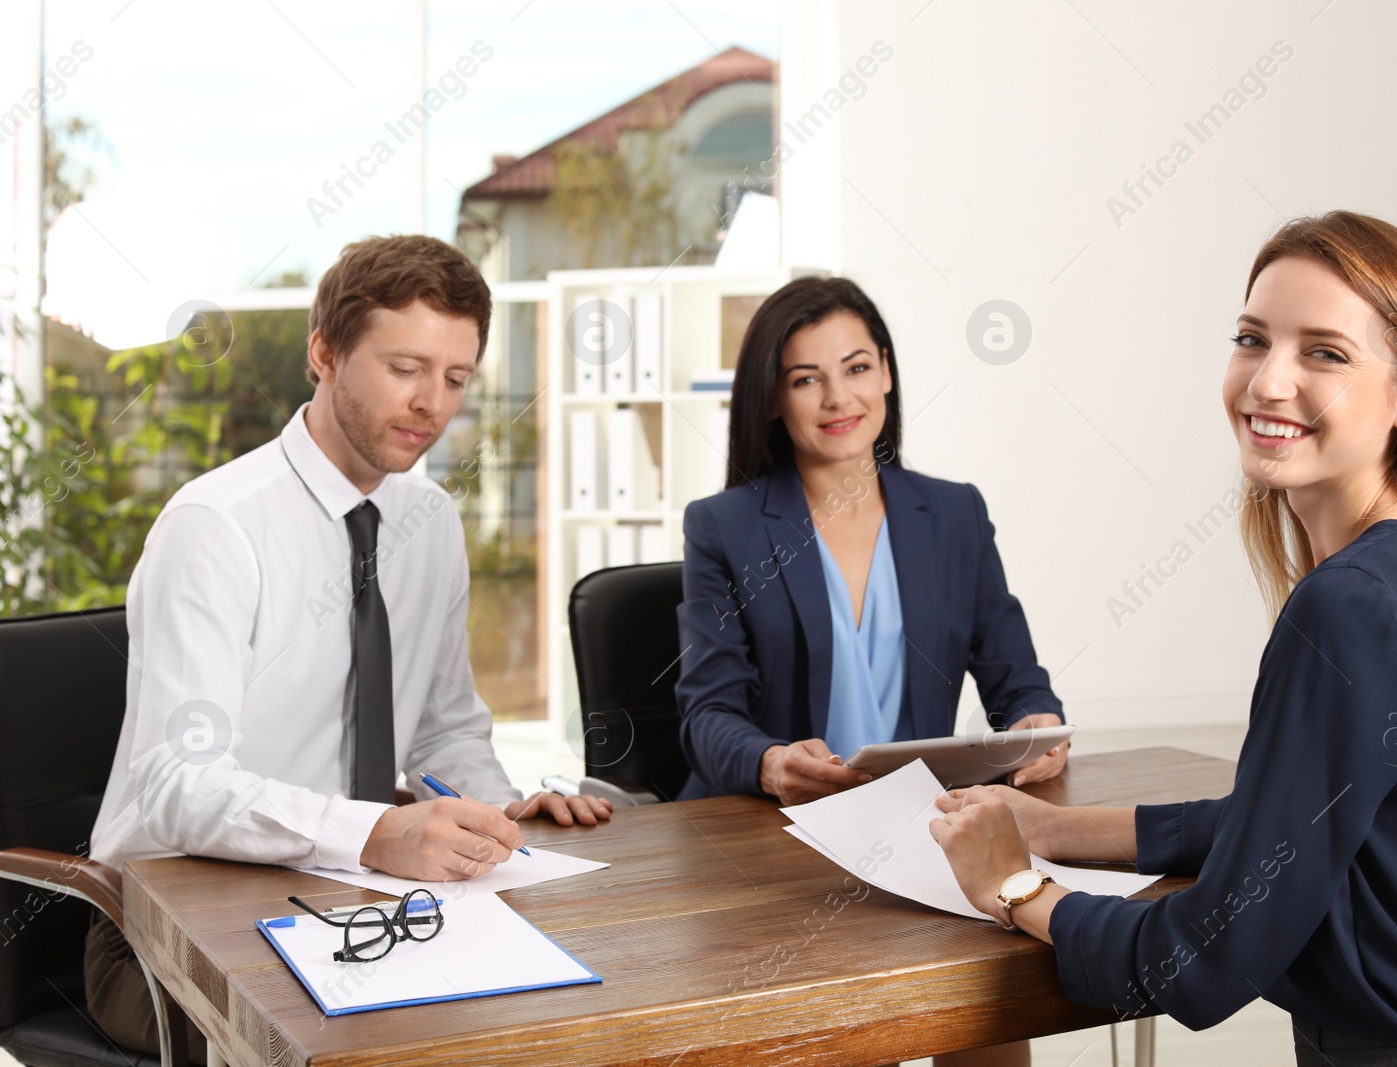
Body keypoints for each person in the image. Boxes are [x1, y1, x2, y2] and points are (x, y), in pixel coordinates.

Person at [932, 211, 1397, 1065]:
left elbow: (1202, 959)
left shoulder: (1348, 605)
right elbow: (1284, 820)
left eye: (1325, 352)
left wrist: (1012, 884)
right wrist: (1051, 827)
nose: (1269, 382)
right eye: (1252, 338)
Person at [86, 235, 611, 1062]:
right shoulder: (216, 528)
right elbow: (176, 786)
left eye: (456, 378)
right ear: (324, 352)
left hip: (351, 899)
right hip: (163, 934)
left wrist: (498, 811)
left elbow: (444, 729)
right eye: (405, 367)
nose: (431, 403)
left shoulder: (429, 521)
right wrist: (371, 834)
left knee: (565, 1011)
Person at [676, 276, 1066, 1067]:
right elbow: (706, 713)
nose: (836, 397)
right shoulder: (723, 527)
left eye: (855, 367)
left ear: (885, 371)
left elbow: (1014, 671)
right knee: (857, 1029)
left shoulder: (952, 513)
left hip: (919, 824)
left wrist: (1033, 724)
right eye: (804, 378)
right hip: (782, 844)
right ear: (774, 399)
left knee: (994, 997)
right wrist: (770, 760)